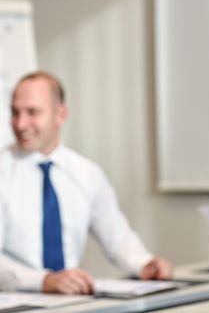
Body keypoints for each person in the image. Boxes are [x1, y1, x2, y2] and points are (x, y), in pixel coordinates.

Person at [0, 71, 173, 294]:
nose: (21, 124)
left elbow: (117, 237)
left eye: (32, 112)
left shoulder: (86, 173)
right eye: (15, 112)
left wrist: (144, 264)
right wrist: (44, 280)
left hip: (71, 302)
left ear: (60, 114)